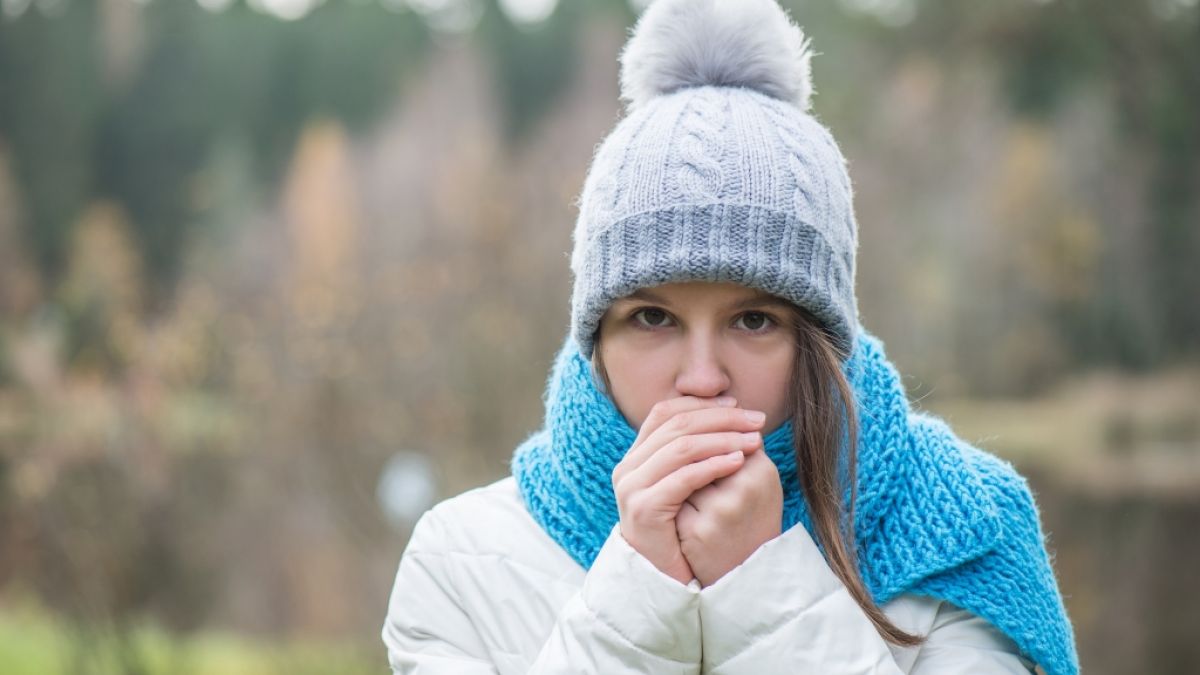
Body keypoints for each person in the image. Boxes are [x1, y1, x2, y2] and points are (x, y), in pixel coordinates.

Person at [381, 0, 1079, 673]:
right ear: (596, 338)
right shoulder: (461, 558)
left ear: (821, 340)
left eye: (754, 320)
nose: (703, 377)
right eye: (653, 318)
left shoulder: (958, 530)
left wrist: (762, 586)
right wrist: (639, 592)